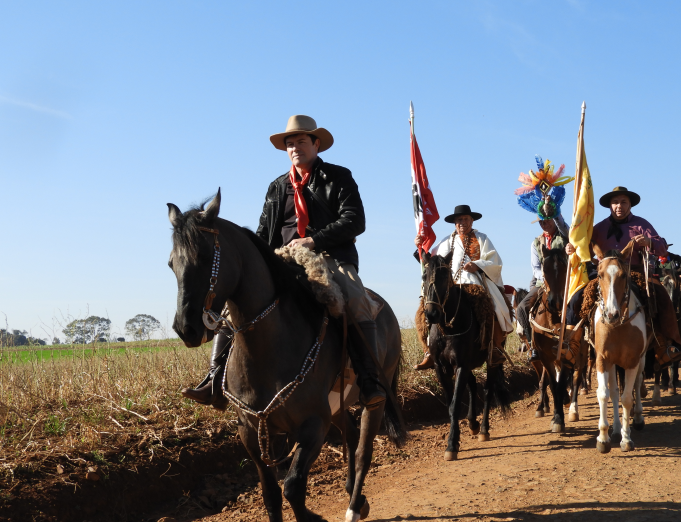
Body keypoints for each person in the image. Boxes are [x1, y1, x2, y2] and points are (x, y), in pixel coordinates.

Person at [183, 115, 386, 411]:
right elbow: (265, 233)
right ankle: (214, 380)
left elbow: (355, 220)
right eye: (290, 144)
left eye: (301, 142)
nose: (294, 148)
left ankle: (370, 381)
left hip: (329, 258)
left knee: (354, 300)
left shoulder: (339, 177)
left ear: (316, 144)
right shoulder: (277, 187)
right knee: (234, 306)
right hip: (282, 259)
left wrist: (313, 241)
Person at [564, 186, 681, 366]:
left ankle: (666, 345)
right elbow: (583, 247)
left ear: (630, 205)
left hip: (635, 272)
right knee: (576, 298)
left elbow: (662, 247)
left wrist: (649, 241)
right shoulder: (599, 227)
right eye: (615, 202)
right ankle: (571, 343)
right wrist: (571, 248)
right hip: (605, 275)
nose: (619, 206)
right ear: (610, 206)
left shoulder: (642, 224)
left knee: (661, 295)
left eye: (623, 202)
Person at [413, 205, 513, 369]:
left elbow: (494, 261)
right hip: (447, 285)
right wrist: (419, 247)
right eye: (459, 220)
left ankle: (494, 346)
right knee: (426, 308)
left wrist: (477, 264)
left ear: (472, 221)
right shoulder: (444, 242)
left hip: (474, 281)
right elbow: (430, 263)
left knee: (492, 305)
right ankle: (429, 351)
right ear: (454, 222)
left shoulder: (482, 239)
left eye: (466, 219)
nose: (462, 223)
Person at [515, 214, 569, 359]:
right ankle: (532, 345)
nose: (545, 224)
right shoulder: (536, 243)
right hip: (543, 281)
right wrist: (545, 279)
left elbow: (565, 229)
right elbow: (536, 268)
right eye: (542, 223)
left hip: (565, 280)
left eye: (547, 221)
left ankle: (585, 340)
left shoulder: (565, 236)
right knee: (521, 308)